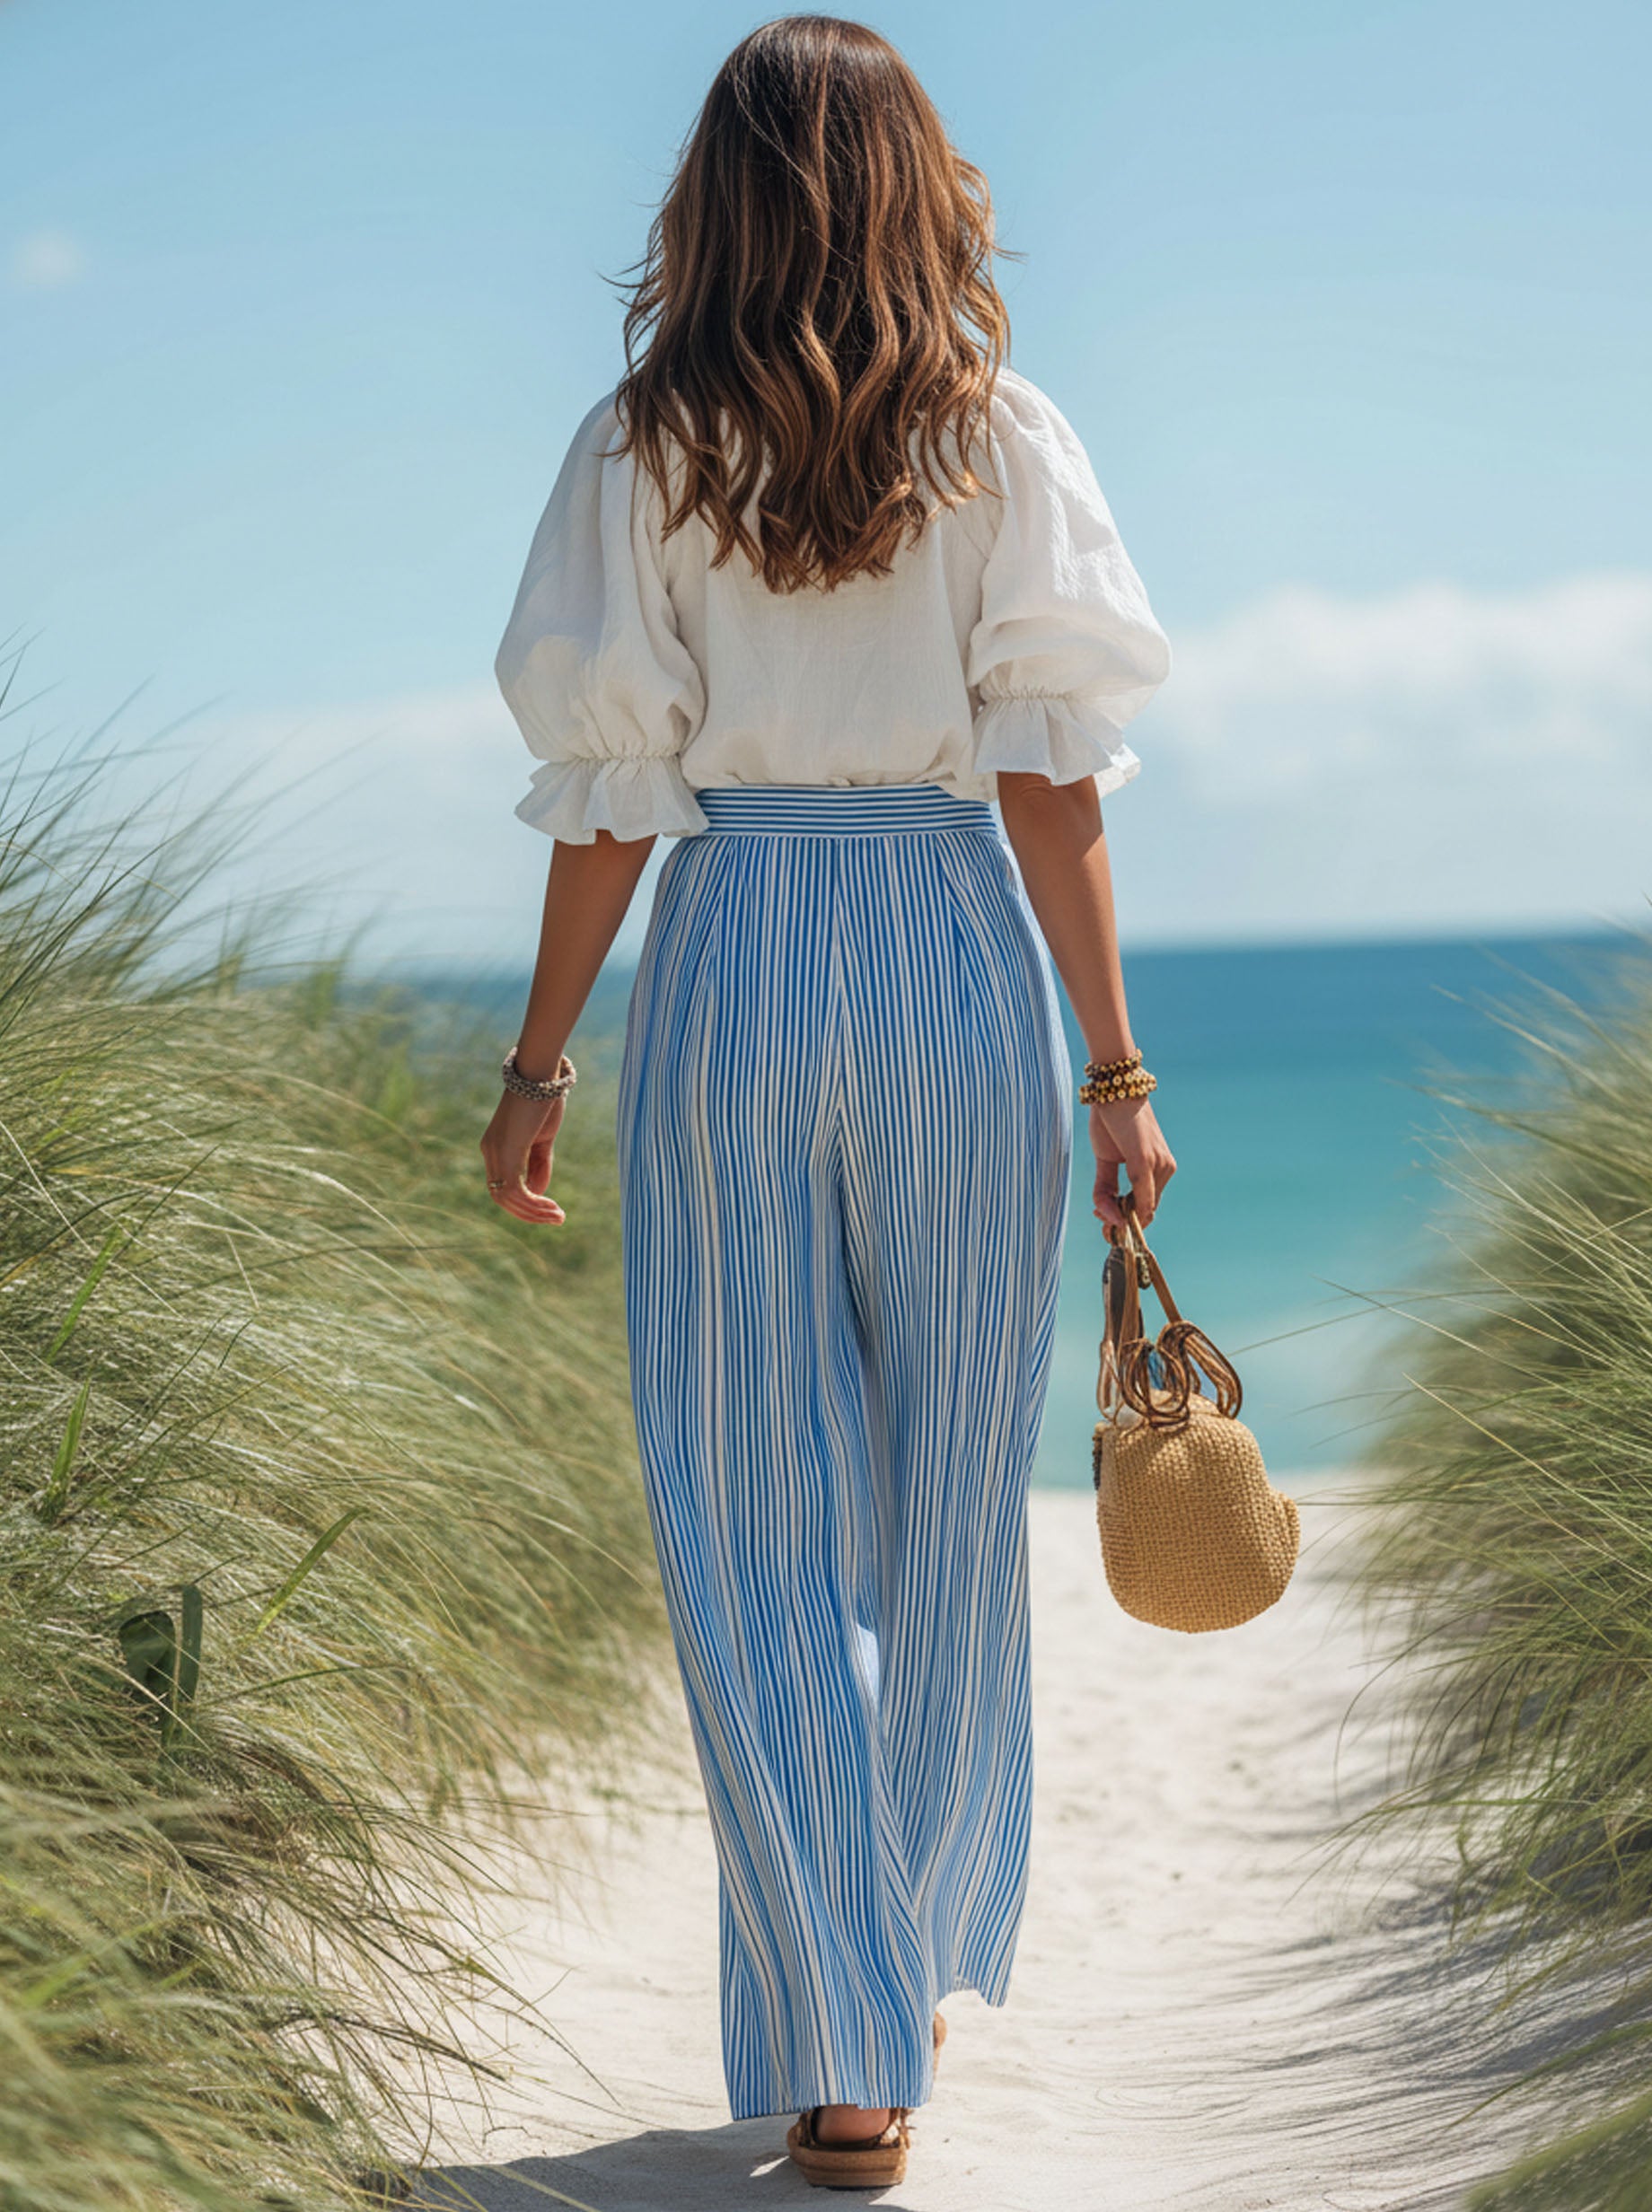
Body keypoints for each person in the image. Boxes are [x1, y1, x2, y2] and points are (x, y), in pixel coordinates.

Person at [481, 14, 1176, 2190]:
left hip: (735, 946)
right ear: (914, 185)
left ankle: (843, 2025)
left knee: (741, 1506)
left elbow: (612, 794)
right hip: (954, 947)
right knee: (948, 1499)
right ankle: (897, 1973)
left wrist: (536, 1063)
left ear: (716, 197)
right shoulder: (1001, 433)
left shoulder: (639, 444)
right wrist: (1114, 1064)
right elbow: (1052, 779)